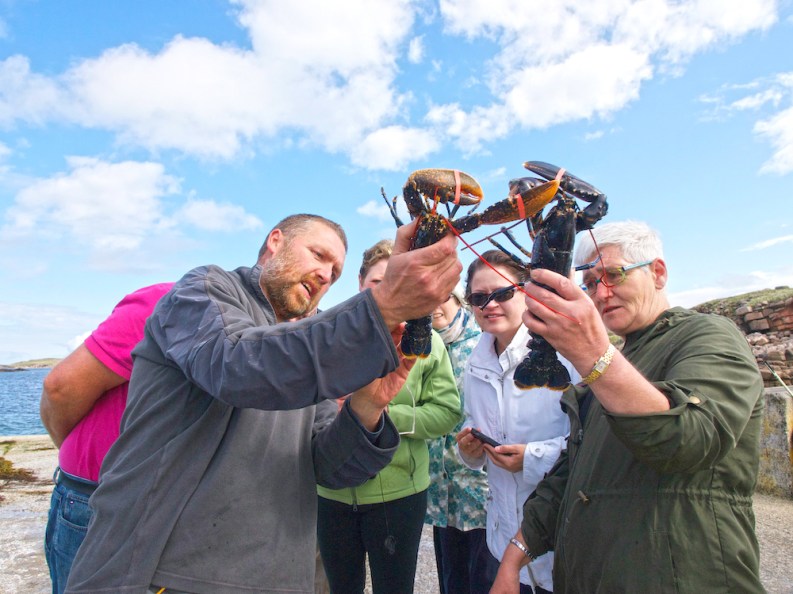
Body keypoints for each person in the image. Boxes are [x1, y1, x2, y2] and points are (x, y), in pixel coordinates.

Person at [65, 213, 462, 594]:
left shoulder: (312, 338)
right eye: (319, 255)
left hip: (278, 577)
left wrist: (367, 406)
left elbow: (328, 467)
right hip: (162, 575)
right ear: (276, 242)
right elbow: (235, 366)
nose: (326, 275)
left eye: (335, 273)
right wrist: (383, 305)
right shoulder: (203, 290)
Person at [492, 220, 765, 593]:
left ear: (658, 273)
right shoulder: (618, 359)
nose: (601, 294)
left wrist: (593, 353)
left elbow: (688, 439)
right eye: (589, 283)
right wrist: (513, 558)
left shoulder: (709, 334)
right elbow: (569, 475)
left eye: (614, 275)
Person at [316, 239, 461, 594]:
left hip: (398, 496)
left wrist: (374, 413)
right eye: (378, 283)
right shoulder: (327, 335)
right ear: (361, 283)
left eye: (396, 283)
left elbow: (447, 413)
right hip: (330, 494)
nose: (388, 292)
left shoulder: (428, 342)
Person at [40, 282, 174, 594]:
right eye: (313, 253)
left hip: (163, 506)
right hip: (95, 496)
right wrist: (78, 455)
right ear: (275, 245)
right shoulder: (170, 301)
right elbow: (60, 389)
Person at [456, 250, 576, 594]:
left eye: (503, 292)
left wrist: (532, 458)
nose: (489, 304)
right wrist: (472, 452)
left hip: (562, 542)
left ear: (527, 291)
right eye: (478, 298)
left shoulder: (565, 354)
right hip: (502, 539)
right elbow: (474, 424)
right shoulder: (474, 364)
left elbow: (595, 442)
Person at [424, 285, 490, 594]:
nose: (434, 307)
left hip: (480, 495)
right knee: (451, 583)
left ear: (455, 297)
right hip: (440, 494)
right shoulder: (423, 345)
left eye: (441, 297)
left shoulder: (484, 342)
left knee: (485, 581)